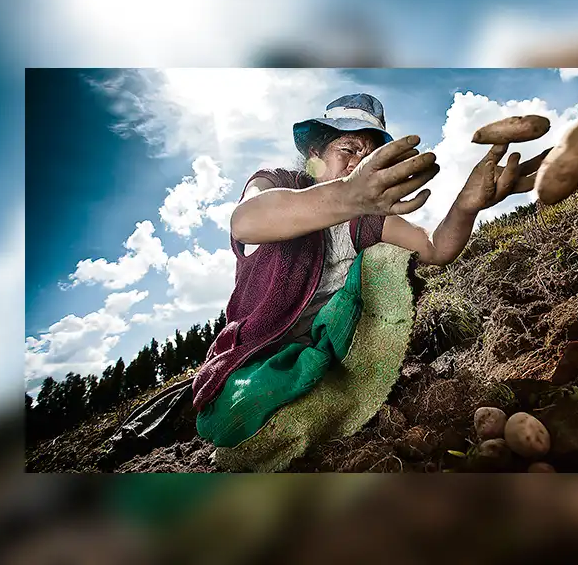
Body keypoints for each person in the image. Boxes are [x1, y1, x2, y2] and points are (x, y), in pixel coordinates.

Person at [192, 93, 547, 471]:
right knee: (242, 411)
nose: (359, 161)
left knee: (382, 258)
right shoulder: (277, 183)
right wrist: (347, 194)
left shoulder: (365, 221)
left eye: (370, 153)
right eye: (349, 147)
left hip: (330, 351)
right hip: (257, 354)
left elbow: (434, 247)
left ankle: (351, 392)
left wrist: (468, 204)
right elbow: (245, 222)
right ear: (316, 151)